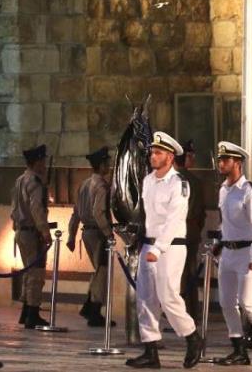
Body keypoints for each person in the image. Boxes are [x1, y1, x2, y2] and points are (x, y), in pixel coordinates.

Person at [125, 131, 202, 369]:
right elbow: (148, 216)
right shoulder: (148, 180)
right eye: (152, 152)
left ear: (170, 157)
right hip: (149, 244)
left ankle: (192, 337)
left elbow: (173, 219)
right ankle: (150, 350)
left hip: (170, 247)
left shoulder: (179, 184)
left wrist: (158, 249)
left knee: (168, 297)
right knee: (146, 298)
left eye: (158, 153)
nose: (152, 156)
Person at [212, 141, 252, 365]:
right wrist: (218, 242)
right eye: (220, 160)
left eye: (225, 160)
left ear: (237, 163)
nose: (221, 163)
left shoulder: (250, 191)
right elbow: (226, 223)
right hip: (228, 252)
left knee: (248, 301)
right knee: (227, 302)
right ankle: (238, 348)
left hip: (247, 252)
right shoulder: (223, 189)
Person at [67, 146, 114, 327]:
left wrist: (72, 236)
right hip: (98, 233)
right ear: (101, 165)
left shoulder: (85, 184)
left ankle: (90, 306)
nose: (109, 165)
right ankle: (94, 310)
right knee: (101, 271)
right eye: (107, 163)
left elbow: (76, 213)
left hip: (87, 232)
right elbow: (99, 212)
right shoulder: (101, 186)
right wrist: (108, 233)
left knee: (98, 271)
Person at [11, 144, 51, 329]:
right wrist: (44, 231)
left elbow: (15, 208)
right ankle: (32, 315)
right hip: (31, 233)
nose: (44, 164)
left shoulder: (20, 180)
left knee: (28, 273)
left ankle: (26, 312)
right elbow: (36, 209)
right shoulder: (34, 182)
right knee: (36, 275)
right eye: (42, 160)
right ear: (36, 162)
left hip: (21, 231)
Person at [175, 140, 206, 322]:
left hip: (178, 234)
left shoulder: (173, 180)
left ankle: (185, 314)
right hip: (190, 233)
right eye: (190, 156)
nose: (193, 159)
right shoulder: (194, 181)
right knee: (188, 274)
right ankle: (190, 312)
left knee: (181, 275)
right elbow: (200, 214)